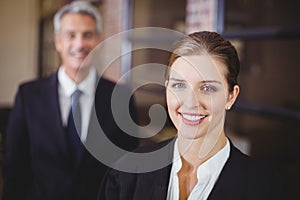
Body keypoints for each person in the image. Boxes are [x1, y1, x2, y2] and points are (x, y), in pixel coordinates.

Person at [100, 31, 283, 200]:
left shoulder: (264, 189)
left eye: (207, 88)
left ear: (231, 96)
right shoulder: (128, 172)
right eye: (179, 85)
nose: (190, 102)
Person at [3, 1, 138, 200]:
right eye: (71, 35)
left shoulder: (122, 98)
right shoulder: (28, 96)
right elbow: (14, 171)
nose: (79, 44)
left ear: (99, 40)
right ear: (58, 41)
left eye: (88, 35)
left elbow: (129, 174)